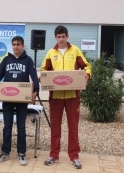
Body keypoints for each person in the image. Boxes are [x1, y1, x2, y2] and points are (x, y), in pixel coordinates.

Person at [40, 25, 91, 169]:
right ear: (55, 37)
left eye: (63, 36)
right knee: (55, 127)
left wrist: (87, 75)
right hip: (55, 96)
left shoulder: (75, 51)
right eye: (58, 37)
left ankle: (74, 156)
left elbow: (87, 66)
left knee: (73, 127)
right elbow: (44, 70)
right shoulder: (51, 53)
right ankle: (53, 155)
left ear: (67, 36)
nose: (61, 39)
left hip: (72, 96)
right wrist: (42, 78)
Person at [0, 36, 39, 166]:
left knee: (21, 127)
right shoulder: (6, 60)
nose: (15, 46)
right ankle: (5, 152)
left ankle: (21, 153)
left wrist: (36, 91)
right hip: (7, 98)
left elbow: (34, 77)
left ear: (23, 46)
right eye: (13, 44)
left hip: (21, 99)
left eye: (18, 44)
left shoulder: (28, 60)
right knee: (7, 127)